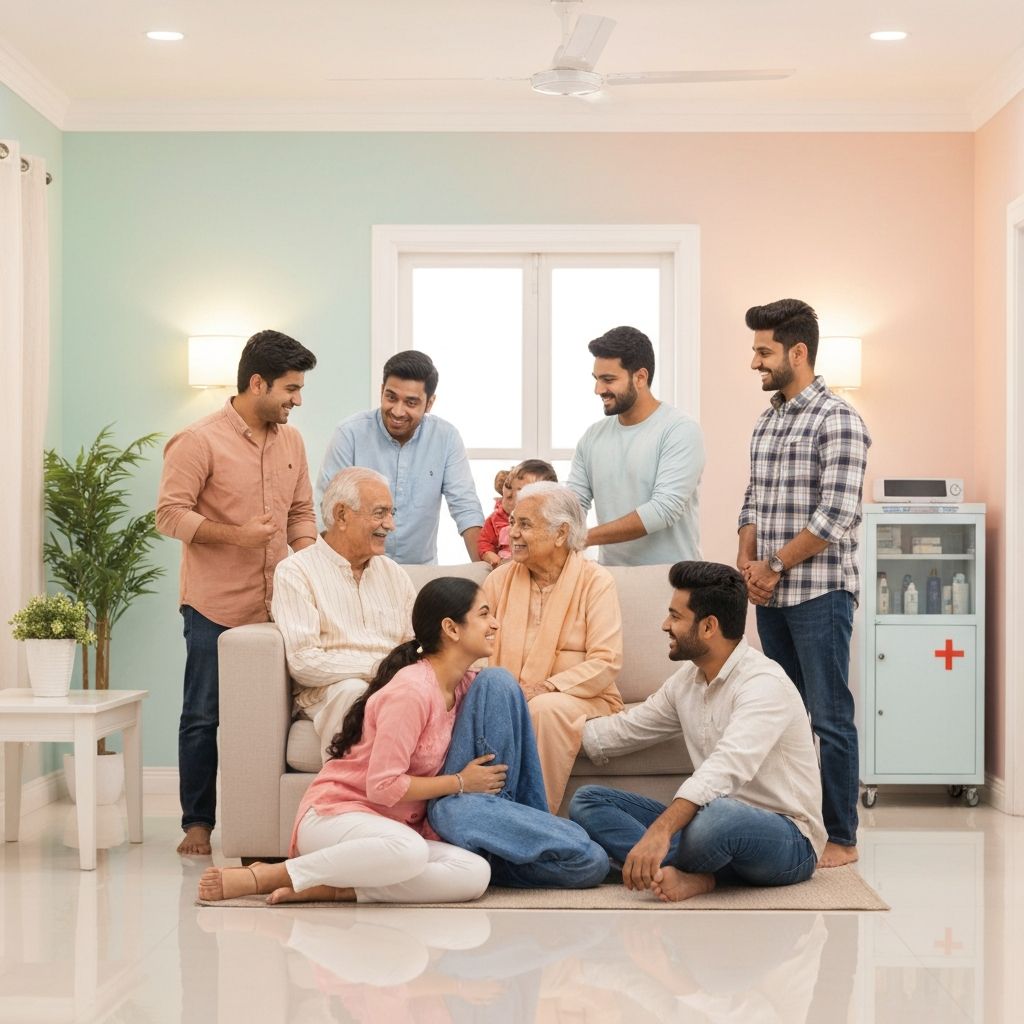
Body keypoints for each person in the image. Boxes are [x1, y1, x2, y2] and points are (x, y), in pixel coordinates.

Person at [198, 577, 606, 905]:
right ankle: (274, 874)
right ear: (451, 628)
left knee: (475, 874)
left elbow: (506, 734)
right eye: (484, 614)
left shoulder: (465, 687)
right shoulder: (410, 691)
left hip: (405, 830)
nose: (495, 623)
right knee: (407, 853)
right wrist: (461, 784)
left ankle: (340, 890)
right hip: (341, 815)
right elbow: (382, 786)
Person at [570, 562, 826, 903]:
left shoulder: (764, 684)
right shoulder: (685, 683)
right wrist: (552, 724)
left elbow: (726, 767)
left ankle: (689, 873)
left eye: (675, 616)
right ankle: (686, 872)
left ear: (708, 627)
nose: (665, 625)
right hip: (710, 822)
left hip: (787, 837)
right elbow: (624, 730)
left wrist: (661, 831)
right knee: (588, 800)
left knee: (719, 816)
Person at [156, 329, 318, 856]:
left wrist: (312, 560)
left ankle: (263, 820)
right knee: (205, 714)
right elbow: (169, 515)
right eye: (290, 389)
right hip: (215, 605)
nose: (297, 399)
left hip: (278, 609)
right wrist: (237, 536)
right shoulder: (198, 440)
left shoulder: (292, 440)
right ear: (257, 383)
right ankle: (197, 823)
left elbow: (301, 513)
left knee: (273, 715)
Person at [738, 298, 871, 869]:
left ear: (798, 352)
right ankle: (795, 823)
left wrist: (773, 566)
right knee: (781, 715)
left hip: (820, 594)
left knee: (829, 717)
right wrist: (748, 562)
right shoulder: (768, 420)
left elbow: (835, 515)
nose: (755, 363)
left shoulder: (839, 420)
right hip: (769, 594)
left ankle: (841, 838)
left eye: (763, 351)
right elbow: (753, 499)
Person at [483, 482, 624, 814]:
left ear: (561, 533)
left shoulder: (596, 581)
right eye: (512, 522)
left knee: (544, 709)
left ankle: (532, 816)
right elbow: (475, 649)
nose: (511, 533)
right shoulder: (498, 581)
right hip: (511, 694)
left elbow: (607, 661)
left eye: (524, 524)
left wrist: (543, 687)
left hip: (583, 697)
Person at [272, 467, 416, 762]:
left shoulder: (394, 574)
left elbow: (415, 645)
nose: (390, 525)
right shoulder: (296, 572)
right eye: (380, 513)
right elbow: (303, 662)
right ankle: (345, 798)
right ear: (341, 515)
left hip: (396, 684)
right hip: (331, 690)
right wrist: (382, 669)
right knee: (354, 692)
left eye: (391, 513)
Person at [316, 350, 484, 564]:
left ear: (429, 403)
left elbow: (465, 507)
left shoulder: (446, 438)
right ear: (381, 391)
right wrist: (326, 570)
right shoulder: (350, 434)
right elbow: (327, 509)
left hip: (418, 570)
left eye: (411, 403)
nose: (397, 411)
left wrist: (486, 573)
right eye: (391, 397)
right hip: (356, 567)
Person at [566, 326, 705, 566]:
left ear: (640, 377)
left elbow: (663, 510)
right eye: (597, 379)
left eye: (608, 380)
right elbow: (573, 503)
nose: (598, 390)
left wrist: (584, 538)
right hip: (610, 579)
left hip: (671, 581)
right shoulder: (592, 437)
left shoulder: (680, 430)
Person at [478, 468, 515, 567]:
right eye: (509, 498)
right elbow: (484, 542)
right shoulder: (494, 519)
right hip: (504, 562)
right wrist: (490, 555)